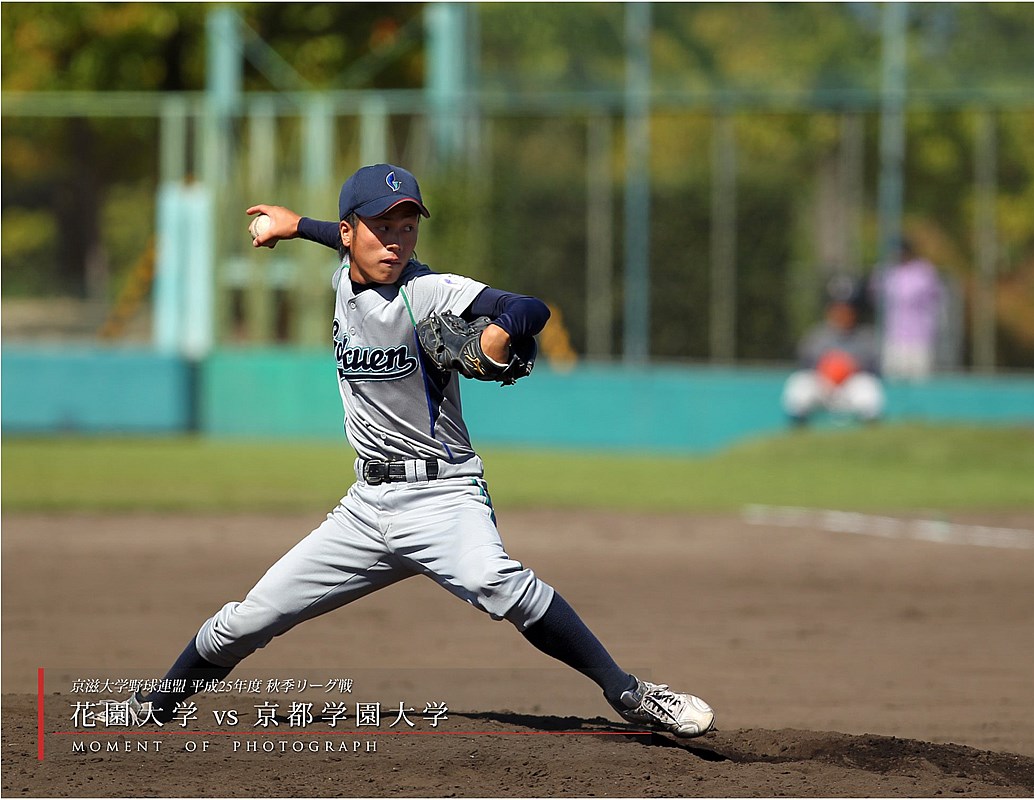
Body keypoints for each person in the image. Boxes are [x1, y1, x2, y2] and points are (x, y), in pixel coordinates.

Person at [98, 164, 714, 739]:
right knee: (249, 618)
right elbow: (337, 241)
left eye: (407, 227)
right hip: (366, 507)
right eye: (382, 227)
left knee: (495, 580)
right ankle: (154, 705)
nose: (395, 241)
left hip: (444, 495)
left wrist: (500, 331)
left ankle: (630, 694)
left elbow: (530, 308)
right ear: (349, 234)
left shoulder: (430, 292)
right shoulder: (343, 274)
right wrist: (294, 226)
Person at [781, 274, 884, 424]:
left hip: (850, 389)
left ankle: (870, 430)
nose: (842, 313)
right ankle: (797, 428)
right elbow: (804, 366)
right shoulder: (816, 337)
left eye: (848, 309)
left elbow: (875, 372)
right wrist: (826, 368)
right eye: (837, 308)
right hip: (824, 388)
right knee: (799, 384)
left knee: (868, 387)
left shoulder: (866, 338)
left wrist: (850, 367)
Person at [877, 238, 944, 381]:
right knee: (894, 381)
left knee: (919, 383)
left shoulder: (924, 272)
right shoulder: (889, 272)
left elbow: (933, 299)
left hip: (919, 338)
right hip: (894, 337)